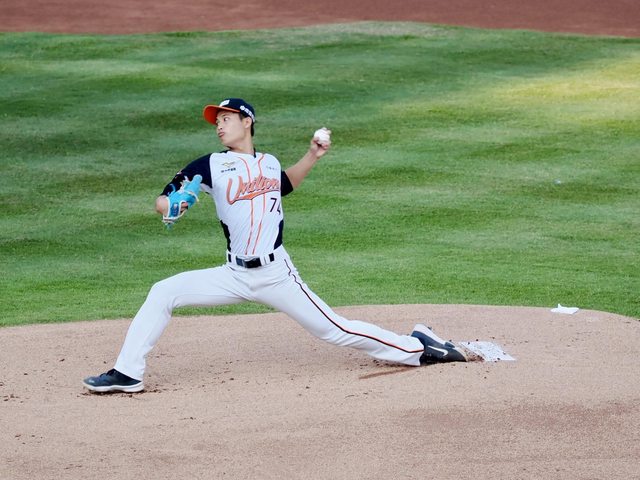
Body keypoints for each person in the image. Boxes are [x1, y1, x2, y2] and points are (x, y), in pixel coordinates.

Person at [83, 98, 467, 393]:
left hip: (276, 274)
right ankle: (128, 373)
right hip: (233, 274)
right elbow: (163, 199)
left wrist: (312, 155)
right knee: (163, 291)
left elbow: (285, 184)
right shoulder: (208, 165)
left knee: (334, 329)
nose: (219, 126)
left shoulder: (269, 163)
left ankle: (418, 346)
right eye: (216, 122)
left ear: (246, 121)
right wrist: (172, 204)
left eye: (225, 119)